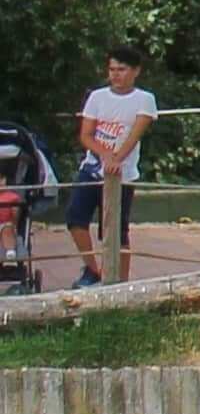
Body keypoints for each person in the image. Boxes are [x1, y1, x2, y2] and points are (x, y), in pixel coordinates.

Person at [69, 53, 152, 285]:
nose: (115, 74)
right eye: (112, 69)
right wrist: (105, 156)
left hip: (122, 175)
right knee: (75, 218)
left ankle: (120, 282)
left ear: (136, 71)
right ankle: (93, 270)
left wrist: (117, 159)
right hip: (92, 169)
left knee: (116, 230)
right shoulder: (97, 97)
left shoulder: (144, 99)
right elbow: (86, 135)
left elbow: (135, 134)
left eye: (122, 69)